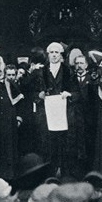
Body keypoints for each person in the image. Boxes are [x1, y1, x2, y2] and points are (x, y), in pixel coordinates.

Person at [34, 42, 75, 175]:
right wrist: (39, 95)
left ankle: (64, 173)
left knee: (63, 143)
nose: (54, 55)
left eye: (57, 52)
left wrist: (69, 94)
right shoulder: (41, 71)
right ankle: (49, 172)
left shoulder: (68, 71)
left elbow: (77, 93)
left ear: (60, 54)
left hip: (64, 113)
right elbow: (31, 91)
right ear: (48, 54)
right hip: (46, 113)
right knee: (47, 143)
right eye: (51, 52)